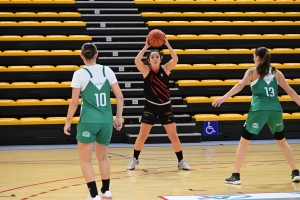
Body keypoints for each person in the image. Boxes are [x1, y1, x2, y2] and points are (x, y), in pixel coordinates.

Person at [212, 47, 300, 184]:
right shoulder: (277, 72)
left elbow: (240, 85)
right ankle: (295, 172)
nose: (253, 58)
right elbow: (291, 91)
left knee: (243, 142)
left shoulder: (253, 71)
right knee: (282, 141)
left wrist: (224, 97)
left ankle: (236, 175)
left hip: (259, 109)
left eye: (254, 56)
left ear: (257, 57)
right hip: (276, 110)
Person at [64, 43, 124, 199]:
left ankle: (94, 195)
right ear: (97, 54)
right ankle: (106, 191)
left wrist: (68, 121)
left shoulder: (79, 74)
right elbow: (120, 96)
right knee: (103, 157)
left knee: (85, 161)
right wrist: (118, 117)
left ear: (81, 56)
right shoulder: (107, 70)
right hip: (106, 121)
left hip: (89, 121)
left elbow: (74, 102)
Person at [126, 35, 190, 170]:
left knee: (173, 135)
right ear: (149, 60)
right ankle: (134, 159)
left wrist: (167, 44)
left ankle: (181, 161)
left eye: (157, 57)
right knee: (142, 135)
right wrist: (146, 46)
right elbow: (136, 60)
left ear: (160, 59)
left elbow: (176, 59)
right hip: (150, 107)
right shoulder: (146, 71)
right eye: (152, 57)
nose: (155, 59)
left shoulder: (166, 69)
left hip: (165, 107)